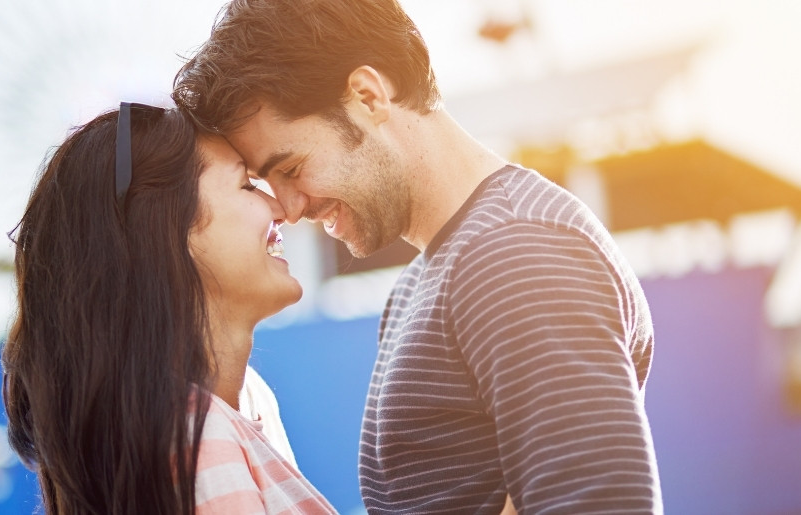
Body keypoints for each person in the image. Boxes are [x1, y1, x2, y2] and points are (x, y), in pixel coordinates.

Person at [173, 0, 663, 513]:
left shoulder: (517, 254)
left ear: (367, 96)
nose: (290, 210)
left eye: (291, 168)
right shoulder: (433, 276)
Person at [0, 103, 337, 514]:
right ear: (168, 232)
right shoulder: (195, 439)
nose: (282, 208)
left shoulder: (235, 407)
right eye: (247, 186)